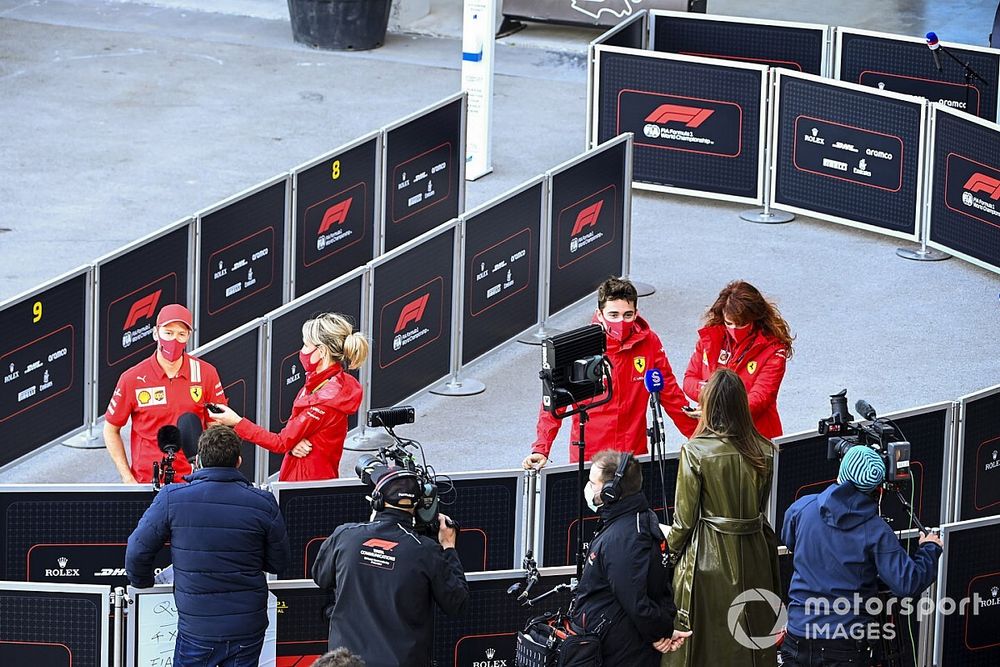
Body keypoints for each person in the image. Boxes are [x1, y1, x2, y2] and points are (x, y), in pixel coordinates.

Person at [125, 425, 290, 667]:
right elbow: (279, 562)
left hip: (198, 629)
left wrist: (142, 583)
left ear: (199, 460)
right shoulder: (262, 502)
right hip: (247, 627)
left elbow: (137, 551)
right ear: (239, 461)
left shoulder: (172, 498)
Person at [780, 446, 944, 666]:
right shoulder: (876, 530)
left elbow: (790, 541)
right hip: (844, 646)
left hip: (797, 637)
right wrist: (930, 549)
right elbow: (907, 583)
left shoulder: (801, 508)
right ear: (877, 489)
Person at [663, 369, 781, 667]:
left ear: (708, 404)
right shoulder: (765, 450)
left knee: (701, 648)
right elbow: (759, 506)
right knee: (751, 635)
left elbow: (685, 521)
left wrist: (667, 551)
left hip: (706, 560)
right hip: (755, 554)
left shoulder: (695, 451)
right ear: (741, 404)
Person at [523, 277, 696, 470]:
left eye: (627, 315)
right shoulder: (579, 347)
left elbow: (670, 394)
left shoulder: (650, 342)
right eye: (613, 315)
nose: (621, 322)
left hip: (634, 454)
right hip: (590, 457)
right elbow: (554, 402)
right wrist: (541, 448)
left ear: (636, 313)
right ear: (599, 313)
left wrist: (698, 439)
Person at [311, 467, 469, 667]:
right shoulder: (426, 550)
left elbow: (320, 577)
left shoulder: (345, 535)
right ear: (418, 506)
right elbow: (457, 603)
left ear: (376, 501)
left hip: (346, 663)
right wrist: (448, 547)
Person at [211, 313, 368, 481]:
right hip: (307, 475)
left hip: (306, 486)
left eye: (306, 345)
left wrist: (236, 422)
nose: (302, 351)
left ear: (321, 351)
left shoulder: (324, 401)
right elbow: (294, 436)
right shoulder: (327, 381)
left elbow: (280, 442)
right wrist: (293, 442)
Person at [571, 449, 691, 665]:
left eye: (593, 483)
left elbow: (636, 601)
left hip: (620, 648)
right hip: (623, 638)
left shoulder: (624, 538)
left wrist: (659, 633)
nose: (588, 488)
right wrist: (660, 631)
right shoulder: (632, 520)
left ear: (611, 492)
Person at [104, 303, 227, 484]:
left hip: (193, 481)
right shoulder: (131, 378)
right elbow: (110, 429)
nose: (174, 340)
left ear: (188, 337)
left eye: (181, 334)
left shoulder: (206, 373)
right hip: (146, 482)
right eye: (168, 333)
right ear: (155, 333)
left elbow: (216, 428)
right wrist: (127, 477)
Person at [683, 280, 793, 440]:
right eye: (729, 323)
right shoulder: (710, 338)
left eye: (741, 324)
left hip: (754, 440)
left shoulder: (774, 349)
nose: (734, 329)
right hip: (711, 437)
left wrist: (715, 406)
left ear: (755, 318)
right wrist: (710, 393)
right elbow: (689, 380)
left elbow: (760, 399)